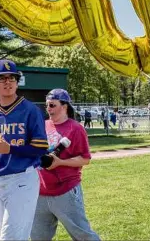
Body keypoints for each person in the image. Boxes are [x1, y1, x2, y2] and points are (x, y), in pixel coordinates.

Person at [0, 59, 49, 241]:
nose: (8, 82)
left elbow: (40, 148)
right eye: (2, 78)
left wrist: (10, 149)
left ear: (17, 82)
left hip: (22, 179)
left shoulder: (30, 110)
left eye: (12, 78)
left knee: (11, 237)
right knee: (0, 235)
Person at [31, 89, 100, 241]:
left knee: (83, 235)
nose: (48, 108)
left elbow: (85, 159)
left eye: (52, 105)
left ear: (64, 106)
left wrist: (60, 163)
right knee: (37, 237)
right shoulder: (42, 125)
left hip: (65, 191)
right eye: (47, 105)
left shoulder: (75, 128)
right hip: (40, 192)